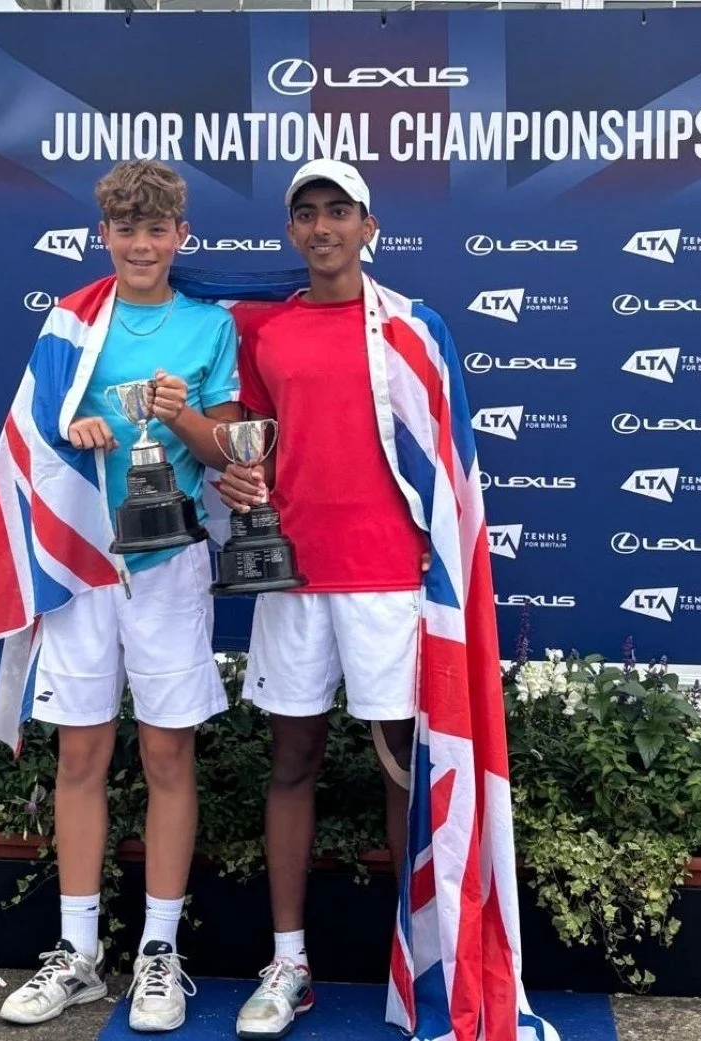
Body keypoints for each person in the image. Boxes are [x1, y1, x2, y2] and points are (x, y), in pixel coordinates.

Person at [0, 159, 240, 1031]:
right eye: (125, 230)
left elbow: (229, 450)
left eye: (155, 229)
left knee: (169, 757)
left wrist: (179, 417)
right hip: (82, 563)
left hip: (171, 564)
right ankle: (80, 954)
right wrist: (72, 425)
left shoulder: (209, 327)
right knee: (81, 757)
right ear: (106, 238)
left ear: (180, 237)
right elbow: (34, 430)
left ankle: (160, 952)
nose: (140, 243)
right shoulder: (70, 321)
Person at [217, 159, 429, 1040]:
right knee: (292, 761)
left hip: (386, 577)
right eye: (306, 213)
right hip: (294, 574)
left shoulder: (413, 329)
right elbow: (249, 443)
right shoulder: (267, 330)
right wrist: (238, 479)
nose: (322, 226)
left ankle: (419, 961)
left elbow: (443, 466)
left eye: (338, 210)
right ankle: (290, 960)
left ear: (368, 227)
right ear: (292, 232)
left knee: (400, 772)